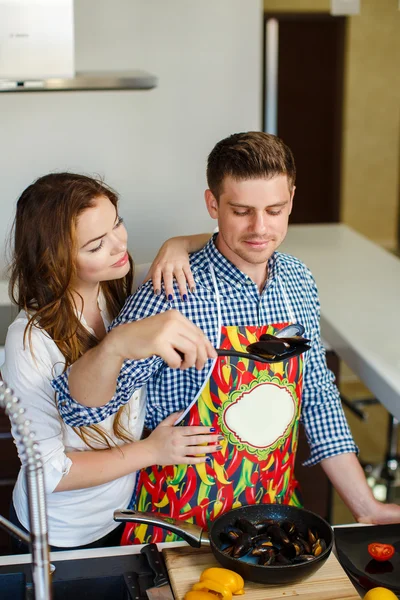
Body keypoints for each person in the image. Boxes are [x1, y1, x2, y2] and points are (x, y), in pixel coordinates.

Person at [53, 133, 400, 543]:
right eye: (241, 211)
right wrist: (115, 344)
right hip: (180, 522)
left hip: (272, 513)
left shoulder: (299, 280)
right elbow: (83, 410)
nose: (260, 228)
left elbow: (318, 395)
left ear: (291, 198)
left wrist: (365, 505)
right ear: (213, 205)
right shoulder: (172, 290)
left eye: (275, 209)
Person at [2, 172, 219, 552]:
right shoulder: (29, 342)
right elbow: (50, 472)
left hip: (124, 512)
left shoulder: (118, 290)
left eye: (117, 222)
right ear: (56, 262)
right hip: (60, 533)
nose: (120, 244)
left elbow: (225, 242)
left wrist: (176, 244)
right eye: (97, 244)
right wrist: (152, 452)